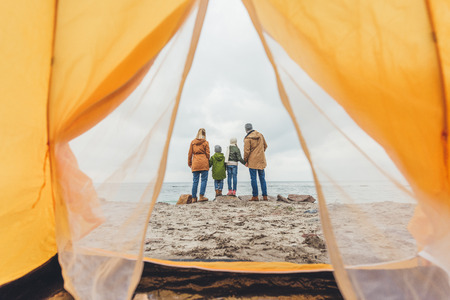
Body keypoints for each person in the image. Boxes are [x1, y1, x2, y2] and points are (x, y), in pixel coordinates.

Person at [243, 123, 268, 201]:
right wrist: (260, 153)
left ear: (245, 130)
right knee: (262, 178)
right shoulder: (260, 135)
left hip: (252, 160)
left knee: (253, 179)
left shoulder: (247, 138)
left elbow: (246, 151)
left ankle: (255, 196)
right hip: (261, 160)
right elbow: (265, 146)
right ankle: (265, 196)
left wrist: (245, 160)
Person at [188, 128, 210, 202]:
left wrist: (189, 163)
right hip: (204, 162)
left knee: (195, 181)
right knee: (204, 180)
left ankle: (194, 198)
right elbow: (208, 154)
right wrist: (207, 160)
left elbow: (190, 154)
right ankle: (201, 196)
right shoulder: (206, 142)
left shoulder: (193, 142)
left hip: (195, 162)